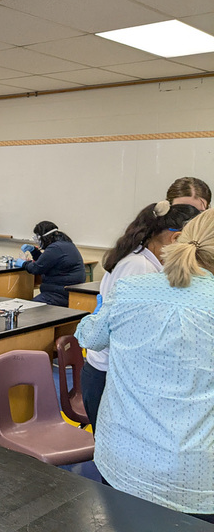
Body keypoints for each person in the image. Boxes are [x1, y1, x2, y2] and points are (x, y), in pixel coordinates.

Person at [75, 208, 214, 523]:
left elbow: (89, 337)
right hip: (194, 476)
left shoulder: (131, 290)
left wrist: (101, 314)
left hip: (123, 461)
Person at [79, 201, 199, 430]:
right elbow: (127, 333)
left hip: (113, 371)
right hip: (107, 373)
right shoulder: (140, 267)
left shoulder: (145, 261)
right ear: (176, 239)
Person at [16, 221, 85, 306]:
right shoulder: (65, 245)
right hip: (64, 292)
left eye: (37, 237)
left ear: (44, 237)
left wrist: (23, 263)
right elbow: (46, 262)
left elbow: (36, 268)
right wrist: (34, 251)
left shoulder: (55, 248)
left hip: (59, 294)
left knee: (28, 309)